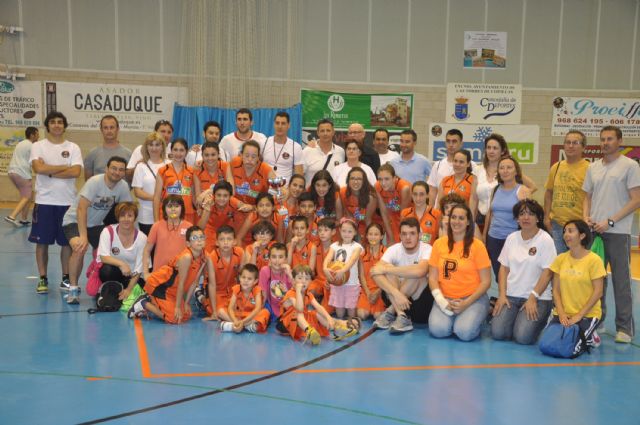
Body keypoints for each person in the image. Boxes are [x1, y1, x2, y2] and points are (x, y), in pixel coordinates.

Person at [583, 125, 640, 343]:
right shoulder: (593, 167)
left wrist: (611, 221)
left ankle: (624, 328)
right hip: (594, 232)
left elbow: (636, 199)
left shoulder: (630, 166)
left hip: (618, 232)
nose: (605, 142)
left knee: (621, 282)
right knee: (595, 281)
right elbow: (586, 196)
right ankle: (598, 322)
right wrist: (586, 216)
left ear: (619, 141)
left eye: (609, 139)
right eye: (602, 139)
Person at [62, 156, 132, 304]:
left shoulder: (123, 186)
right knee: (80, 248)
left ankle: (97, 277)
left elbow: (127, 209)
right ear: (107, 169)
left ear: (124, 172)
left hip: (96, 224)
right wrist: (83, 236)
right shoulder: (94, 182)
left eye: (121, 170)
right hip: (74, 221)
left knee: (108, 250)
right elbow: (81, 209)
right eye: (113, 168)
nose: (117, 172)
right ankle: (73, 288)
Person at [29, 111, 82, 295]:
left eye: (60, 122)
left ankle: (66, 277)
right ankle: (43, 278)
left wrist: (48, 170)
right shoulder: (38, 146)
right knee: (42, 242)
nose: (57, 125)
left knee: (66, 243)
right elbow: (37, 168)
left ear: (64, 125)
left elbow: (76, 172)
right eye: (53, 122)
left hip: (67, 202)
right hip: (44, 201)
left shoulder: (73, 147)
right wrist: (63, 166)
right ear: (48, 125)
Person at [491, 200, 556, 345]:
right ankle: (516, 319)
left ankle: (545, 317)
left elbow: (548, 272)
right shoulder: (511, 238)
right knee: (498, 333)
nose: (526, 217)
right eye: (522, 214)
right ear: (516, 218)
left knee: (522, 338)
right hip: (512, 296)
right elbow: (504, 268)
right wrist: (502, 295)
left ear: (538, 218)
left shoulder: (545, 240)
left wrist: (533, 297)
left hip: (537, 298)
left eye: (531, 214)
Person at [428, 203, 491, 341]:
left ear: (468, 222)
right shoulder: (439, 244)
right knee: (438, 330)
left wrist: (466, 303)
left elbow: (486, 281)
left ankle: (477, 316)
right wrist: (441, 301)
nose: (456, 222)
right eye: (454, 217)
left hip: (472, 298)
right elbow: (432, 278)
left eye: (461, 218)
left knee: (464, 333)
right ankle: (457, 319)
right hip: (445, 298)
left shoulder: (478, 246)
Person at [128, 226, 214, 324]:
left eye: (201, 237)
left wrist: (186, 303)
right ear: (188, 244)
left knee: (186, 315)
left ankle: (155, 302)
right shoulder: (187, 257)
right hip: (159, 286)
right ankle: (143, 303)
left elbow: (194, 282)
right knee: (174, 318)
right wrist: (177, 307)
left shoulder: (204, 255)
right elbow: (181, 283)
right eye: (195, 238)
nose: (199, 240)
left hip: (173, 291)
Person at [547, 220, 606, 353]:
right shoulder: (561, 259)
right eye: (565, 231)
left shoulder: (594, 260)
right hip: (564, 314)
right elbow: (555, 290)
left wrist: (579, 315)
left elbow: (598, 292)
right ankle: (587, 335)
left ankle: (591, 336)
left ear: (582, 235)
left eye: (571, 231)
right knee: (547, 344)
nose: (566, 235)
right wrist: (561, 313)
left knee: (569, 349)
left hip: (587, 314)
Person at [370, 217, 433, 333]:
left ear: (419, 235)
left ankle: (390, 312)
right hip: (398, 300)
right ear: (399, 236)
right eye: (404, 234)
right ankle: (401, 315)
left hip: (419, 305)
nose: (408, 237)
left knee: (416, 274)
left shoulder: (427, 249)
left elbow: (420, 271)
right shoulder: (394, 249)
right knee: (386, 271)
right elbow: (374, 271)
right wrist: (396, 294)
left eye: (412, 233)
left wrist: (387, 269)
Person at [277, 264, 361, 345]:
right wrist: (298, 291)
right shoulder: (291, 293)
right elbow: (299, 309)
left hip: (301, 322)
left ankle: (339, 329)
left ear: (310, 281)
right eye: (299, 278)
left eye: (307, 279)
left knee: (316, 314)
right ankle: (309, 331)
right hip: (286, 323)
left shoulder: (308, 294)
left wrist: (329, 318)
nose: (303, 281)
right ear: (293, 281)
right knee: (299, 313)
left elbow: (319, 307)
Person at [476, 133, 537, 232]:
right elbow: (474, 199)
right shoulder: (478, 169)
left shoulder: (508, 170)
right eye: (489, 148)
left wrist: (514, 199)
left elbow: (533, 186)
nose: (491, 151)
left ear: (503, 151)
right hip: (480, 219)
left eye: (495, 148)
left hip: (505, 221)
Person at [543, 131, 590, 254]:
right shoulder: (556, 167)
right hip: (557, 225)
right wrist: (546, 217)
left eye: (575, 143)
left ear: (583, 147)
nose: (570, 146)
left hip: (579, 227)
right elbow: (549, 193)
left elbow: (591, 197)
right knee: (559, 263)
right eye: (568, 142)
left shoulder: (589, 168)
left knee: (578, 263)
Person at [483, 156, 529, 279]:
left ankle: (510, 298)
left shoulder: (522, 190)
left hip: (513, 239)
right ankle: (502, 296)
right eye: (502, 168)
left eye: (509, 167)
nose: (505, 170)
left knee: (513, 275)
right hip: (493, 238)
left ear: (516, 171)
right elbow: (490, 213)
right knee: (498, 275)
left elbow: (528, 218)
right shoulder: (495, 189)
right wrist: (484, 236)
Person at [96, 202, 147, 302]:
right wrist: (122, 264)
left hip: (133, 277)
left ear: (135, 218)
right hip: (115, 273)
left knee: (141, 289)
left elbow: (139, 267)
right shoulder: (108, 231)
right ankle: (112, 288)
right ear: (117, 217)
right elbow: (104, 257)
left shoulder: (142, 238)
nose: (126, 219)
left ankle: (118, 291)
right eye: (122, 215)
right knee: (106, 270)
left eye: (130, 215)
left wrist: (129, 289)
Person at [230, 140, 277, 229]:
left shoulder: (265, 169)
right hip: (234, 209)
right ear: (241, 155)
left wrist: (253, 207)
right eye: (246, 156)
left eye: (253, 156)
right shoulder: (234, 163)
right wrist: (238, 203)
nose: (250, 159)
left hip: (256, 213)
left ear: (259, 157)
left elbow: (280, 190)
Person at [323, 218, 363, 319]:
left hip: (351, 283)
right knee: (339, 313)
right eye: (344, 231)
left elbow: (352, 260)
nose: (346, 234)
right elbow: (328, 258)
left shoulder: (357, 246)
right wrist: (325, 268)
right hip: (337, 283)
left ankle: (352, 325)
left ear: (355, 232)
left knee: (351, 313)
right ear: (340, 231)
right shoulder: (334, 246)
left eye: (350, 231)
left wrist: (343, 270)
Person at [201, 225, 244, 320]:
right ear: (216, 242)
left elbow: (243, 277)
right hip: (217, 292)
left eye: (229, 239)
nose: (225, 242)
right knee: (220, 312)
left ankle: (238, 322)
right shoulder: (212, 257)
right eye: (222, 239)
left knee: (242, 308)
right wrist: (214, 312)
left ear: (234, 242)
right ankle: (239, 324)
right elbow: (211, 285)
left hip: (233, 291)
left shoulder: (240, 252)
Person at [143, 195, 192, 273]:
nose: (173, 209)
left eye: (176, 206)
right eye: (169, 206)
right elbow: (147, 250)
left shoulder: (189, 227)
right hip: (159, 274)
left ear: (182, 208)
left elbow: (193, 251)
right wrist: (145, 273)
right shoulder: (157, 226)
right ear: (164, 209)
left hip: (181, 274)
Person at [197, 181, 250, 253]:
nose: (221, 198)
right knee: (206, 252)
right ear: (214, 195)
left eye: (225, 196)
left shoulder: (234, 202)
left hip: (227, 230)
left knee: (236, 251)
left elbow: (249, 208)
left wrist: (250, 207)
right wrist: (207, 209)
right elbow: (200, 228)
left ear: (230, 196)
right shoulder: (209, 201)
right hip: (210, 230)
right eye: (219, 195)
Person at [217, 264, 271, 333]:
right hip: (238, 315)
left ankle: (233, 326)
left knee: (265, 312)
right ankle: (246, 326)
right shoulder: (236, 288)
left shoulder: (257, 290)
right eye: (243, 277)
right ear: (239, 278)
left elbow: (257, 309)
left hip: (250, 316)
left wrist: (242, 322)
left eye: (249, 279)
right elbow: (230, 308)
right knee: (220, 311)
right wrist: (235, 320)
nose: (246, 280)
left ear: (255, 281)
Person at [153, 138, 196, 225]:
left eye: (181, 150)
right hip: (168, 214)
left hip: (187, 214)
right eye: (175, 150)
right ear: (171, 151)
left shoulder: (192, 171)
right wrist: (156, 220)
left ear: (186, 152)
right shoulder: (162, 171)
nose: (178, 153)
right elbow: (157, 198)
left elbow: (194, 196)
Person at [132, 131, 167, 234]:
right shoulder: (141, 166)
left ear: (162, 147)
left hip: (167, 213)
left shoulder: (169, 164)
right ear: (146, 147)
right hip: (146, 216)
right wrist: (157, 198)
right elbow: (137, 192)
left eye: (157, 144)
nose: (154, 148)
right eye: (151, 145)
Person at [6, 126, 38, 227]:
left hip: (12, 172)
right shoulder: (32, 146)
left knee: (29, 195)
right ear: (32, 135)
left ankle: (24, 219)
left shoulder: (21, 143)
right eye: (37, 134)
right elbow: (35, 162)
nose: (38, 136)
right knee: (27, 196)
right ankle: (12, 216)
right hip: (22, 173)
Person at [84, 115, 132, 180]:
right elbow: (88, 181)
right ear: (101, 130)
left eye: (112, 127)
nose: (109, 131)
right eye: (105, 128)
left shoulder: (129, 154)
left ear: (117, 129)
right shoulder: (92, 154)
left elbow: (132, 181)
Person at [428, 129, 467, 208]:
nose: (451, 144)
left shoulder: (471, 166)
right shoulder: (437, 165)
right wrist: (431, 212)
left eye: (454, 141)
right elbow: (432, 192)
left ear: (461, 144)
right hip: (440, 211)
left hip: (461, 212)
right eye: (448, 141)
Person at [375, 163, 412, 245]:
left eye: (387, 179)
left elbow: (403, 215)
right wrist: (390, 236)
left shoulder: (404, 187)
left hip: (407, 217)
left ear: (394, 178)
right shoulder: (377, 186)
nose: (383, 183)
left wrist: (400, 236)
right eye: (380, 179)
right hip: (391, 216)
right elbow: (384, 213)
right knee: (391, 244)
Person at [261, 111, 304, 181]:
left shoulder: (295, 147)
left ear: (289, 125)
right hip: (265, 189)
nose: (280, 126)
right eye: (277, 123)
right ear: (274, 124)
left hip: (284, 190)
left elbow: (299, 177)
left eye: (283, 123)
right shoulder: (264, 143)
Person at [356, 223, 386, 320]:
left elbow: (389, 277)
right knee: (361, 315)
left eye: (376, 234)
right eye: (370, 234)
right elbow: (361, 276)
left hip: (381, 290)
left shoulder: (386, 252)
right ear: (367, 236)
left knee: (378, 316)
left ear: (381, 236)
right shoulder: (362, 253)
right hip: (367, 290)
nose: (373, 237)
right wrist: (368, 293)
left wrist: (378, 292)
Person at [302, 119, 345, 186]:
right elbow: (300, 175)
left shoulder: (341, 151)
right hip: (312, 195)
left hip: (333, 195)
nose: (325, 133)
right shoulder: (307, 151)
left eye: (328, 130)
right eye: (322, 131)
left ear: (333, 132)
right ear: (318, 133)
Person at [193, 141, 234, 208]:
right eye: (206, 155)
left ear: (218, 155)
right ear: (202, 156)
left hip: (223, 208)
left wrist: (208, 191)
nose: (210, 158)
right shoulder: (197, 169)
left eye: (213, 155)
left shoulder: (225, 166)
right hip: (206, 208)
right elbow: (199, 199)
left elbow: (232, 191)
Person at [437, 149, 478, 216]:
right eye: (455, 161)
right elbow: (439, 205)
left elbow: (474, 207)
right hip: (447, 220)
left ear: (468, 164)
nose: (457, 164)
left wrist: (471, 222)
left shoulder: (473, 181)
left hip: (463, 220)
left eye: (461, 162)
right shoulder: (445, 180)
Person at [338, 167, 377, 236]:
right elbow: (347, 214)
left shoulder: (370, 197)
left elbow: (368, 220)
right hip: (351, 225)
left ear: (364, 181)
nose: (355, 182)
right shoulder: (343, 192)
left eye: (359, 179)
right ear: (348, 180)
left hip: (366, 226)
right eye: (352, 178)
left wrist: (369, 236)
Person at [400, 181, 441, 246]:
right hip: (410, 253)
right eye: (415, 194)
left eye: (421, 194)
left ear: (427, 195)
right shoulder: (405, 213)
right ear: (412, 195)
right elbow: (403, 236)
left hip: (429, 253)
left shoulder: (436, 214)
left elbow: (440, 238)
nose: (418, 198)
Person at [259, 243, 293, 319]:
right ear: (269, 258)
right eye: (274, 257)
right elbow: (263, 296)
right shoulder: (265, 271)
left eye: (280, 257)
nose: (277, 260)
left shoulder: (289, 272)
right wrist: (258, 312)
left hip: (286, 307)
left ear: (286, 259)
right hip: (270, 307)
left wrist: (290, 274)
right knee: (262, 315)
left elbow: (298, 292)